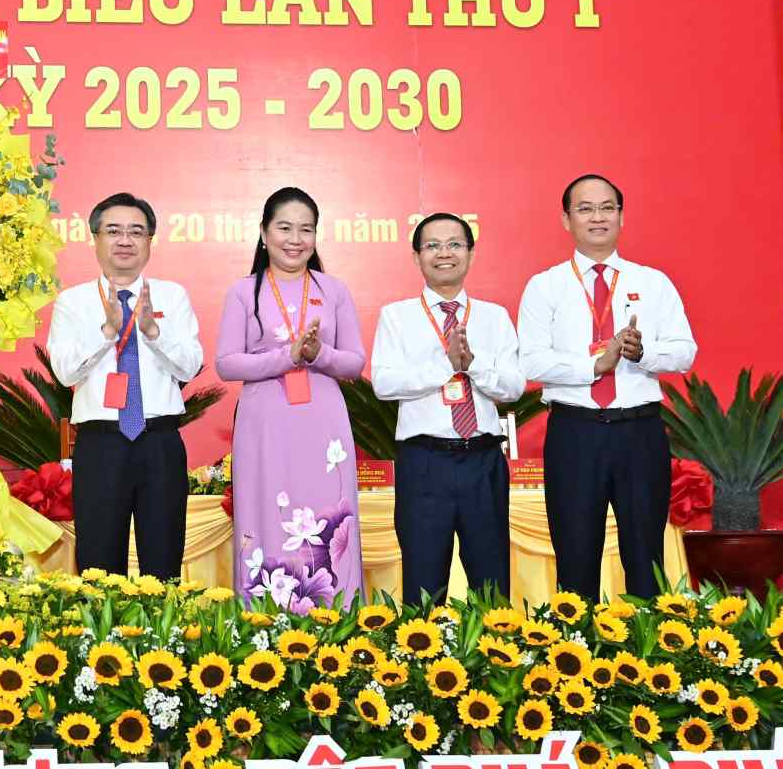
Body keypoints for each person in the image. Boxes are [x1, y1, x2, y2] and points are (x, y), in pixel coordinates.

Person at [518, 174, 696, 599]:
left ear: (620, 216)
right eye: (585, 208)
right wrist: (596, 364)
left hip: (640, 433)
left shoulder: (653, 283)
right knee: (575, 556)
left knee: (644, 554)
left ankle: (648, 654)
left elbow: (685, 351)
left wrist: (641, 353)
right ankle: (577, 657)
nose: (597, 217)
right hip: (575, 433)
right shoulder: (545, 286)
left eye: (607, 208)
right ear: (566, 220)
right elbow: (532, 360)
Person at [216, 187, 366, 612]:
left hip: (324, 426)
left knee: (328, 519)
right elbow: (227, 363)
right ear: (264, 234)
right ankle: (263, 621)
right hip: (265, 425)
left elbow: (354, 362)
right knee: (267, 514)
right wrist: (288, 357)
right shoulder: (244, 292)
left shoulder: (333, 290)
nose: (295, 239)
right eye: (284, 228)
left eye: (306, 229)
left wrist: (320, 355)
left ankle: (336, 617)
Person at [371, 213, 525, 605]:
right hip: (424, 462)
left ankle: (496, 660)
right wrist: (446, 366)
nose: (445, 253)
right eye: (433, 245)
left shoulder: (494, 317)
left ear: (471, 255)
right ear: (416, 257)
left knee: (492, 587)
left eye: (455, 244)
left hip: (484, 459)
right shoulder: (397, 316)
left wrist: (472, 365)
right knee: (423, 587)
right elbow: (385, 384)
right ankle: (424, 661)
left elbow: (513, 386)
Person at [48, 193, 202, 580]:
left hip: (160, 442)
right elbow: (65, 373)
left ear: (150, 241)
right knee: (98, 565)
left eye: (137, 231)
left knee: (164, 564)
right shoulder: (73, 302)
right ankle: (103, 639)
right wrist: (107, 331)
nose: (125, 240)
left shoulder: (173, 295)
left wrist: (152, 330)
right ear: (95, 238)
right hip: (101, 444)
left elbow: (191, 364)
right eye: (113, 231)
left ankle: (164, 638)